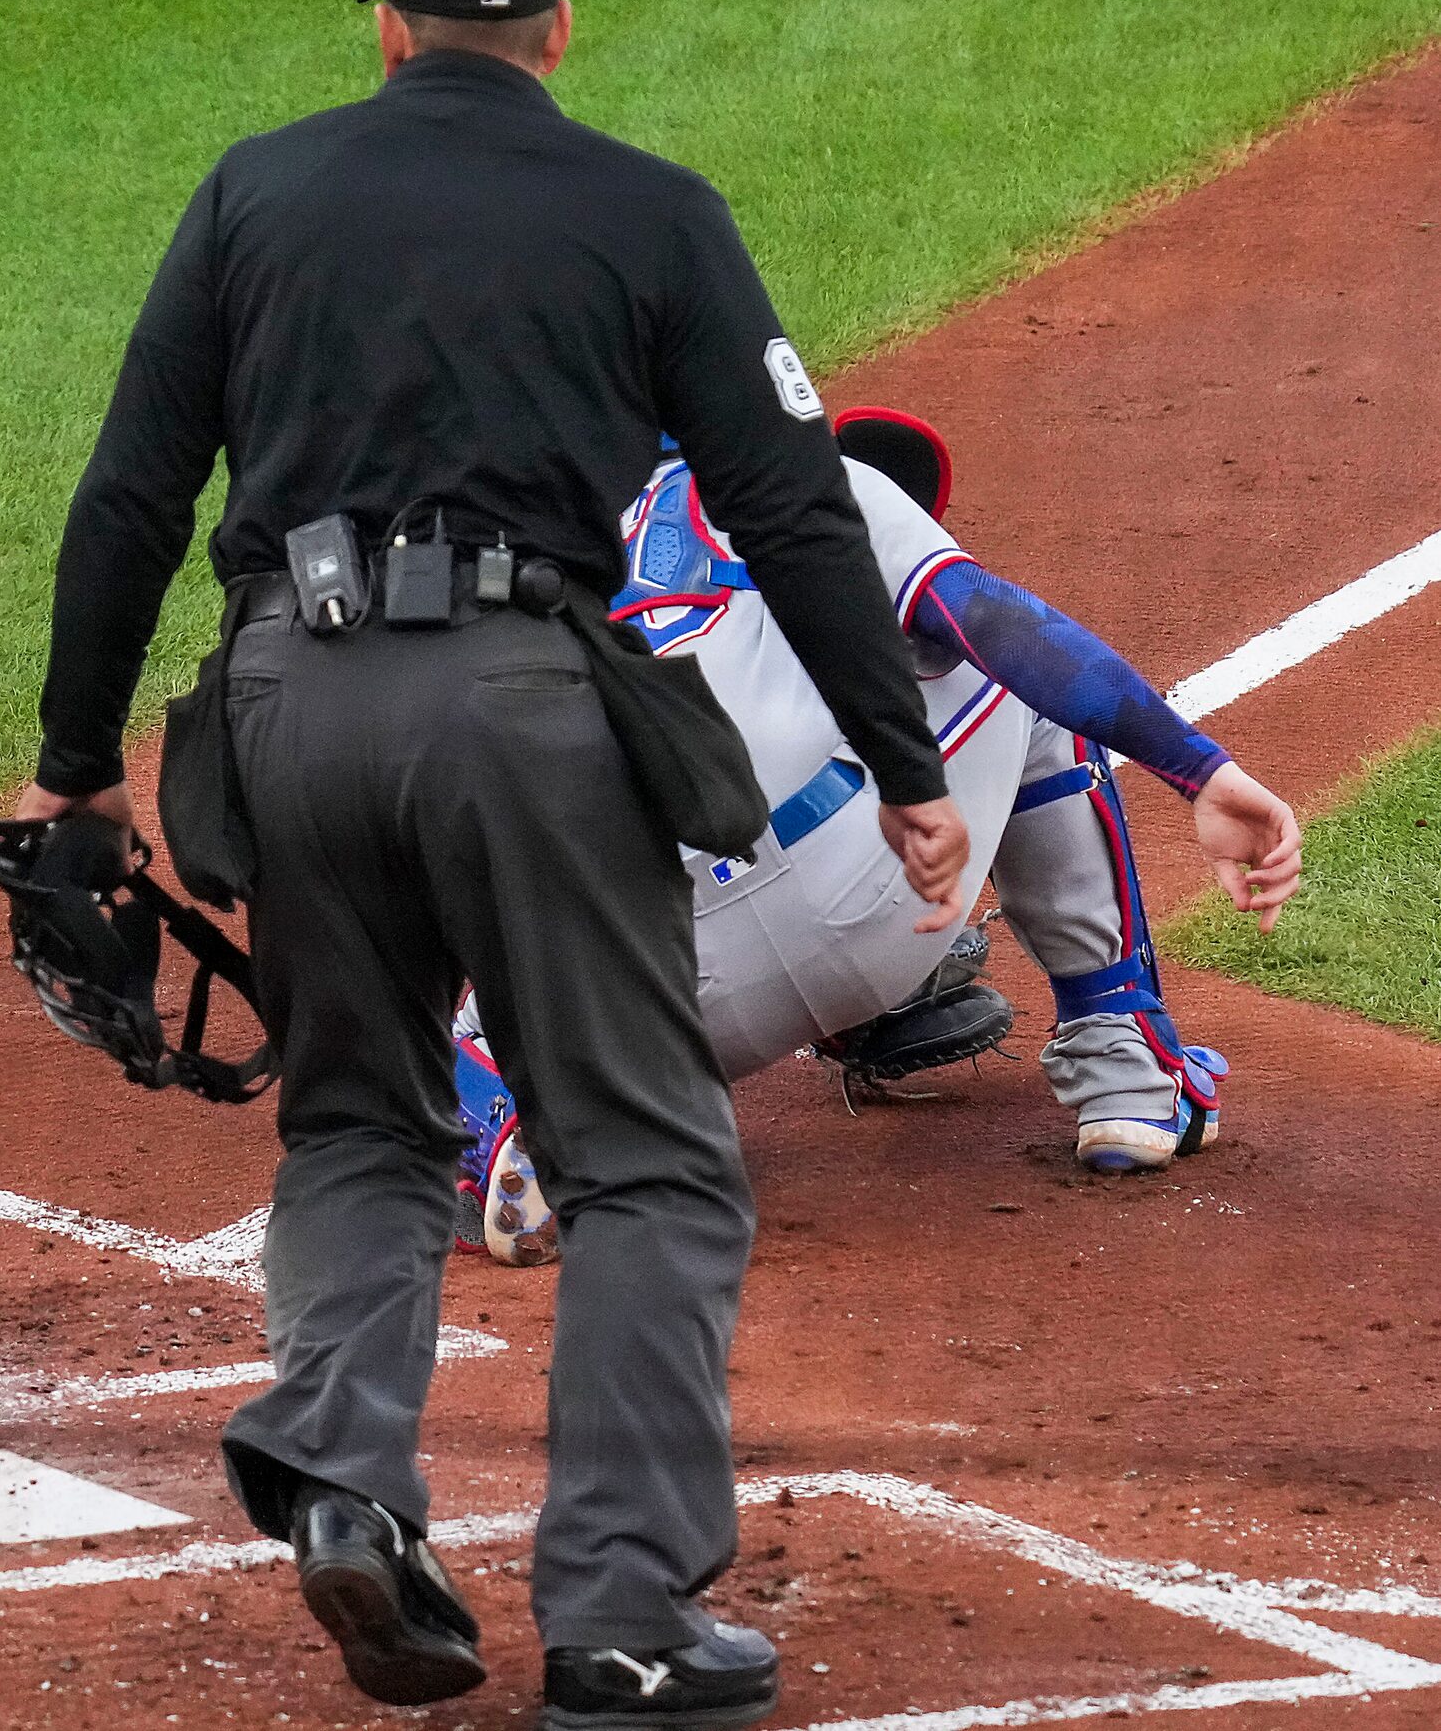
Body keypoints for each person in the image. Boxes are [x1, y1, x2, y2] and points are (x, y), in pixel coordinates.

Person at [25, 0, 968, 1727]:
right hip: (524, 705)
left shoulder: (254, 191)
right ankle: (617, 1611)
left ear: (382, 25)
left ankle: (339, 1467)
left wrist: (72, 768)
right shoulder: (646, 210)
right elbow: (790, 502)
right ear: (553, 29)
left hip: (285, 700)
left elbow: (131, 493)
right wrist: (907, 763)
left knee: (359, 1126)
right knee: (642, 1153)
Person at [453, 411, 1304, 1263]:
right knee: (1006, 663)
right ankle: (1121, 1058)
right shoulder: (812, 486)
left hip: (630, 991)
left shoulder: (524, 555)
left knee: (466, 979)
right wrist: (1201, 773)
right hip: (868, 907)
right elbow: (994, 621)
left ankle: (514, 1107)